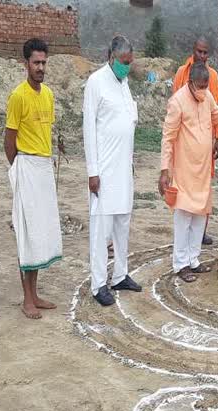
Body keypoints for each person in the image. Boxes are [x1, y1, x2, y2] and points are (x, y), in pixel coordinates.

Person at [159, 62, 218, 283]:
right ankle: (181, 264)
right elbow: (168, 138)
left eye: (206, 86)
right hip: (183, 171)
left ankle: (194, 259)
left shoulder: (206, 97)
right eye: (200, 86)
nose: (203, 90)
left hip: (203, 169)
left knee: (199, 216)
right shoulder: (177, 101)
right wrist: (164, 170)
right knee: (183, 216)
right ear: (190, 83)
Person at [4, 38, 62, 320]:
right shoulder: (18, 96)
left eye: (43, 63)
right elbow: (9, 142)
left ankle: (35, 293)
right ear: (25, 63)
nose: (41, 68)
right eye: (36, 63)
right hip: (25, 165)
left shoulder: (49, 95)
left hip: (44, 168)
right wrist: (20, 170)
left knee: (39, 234)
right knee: (26, 235)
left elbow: (46, 134)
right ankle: (26, 298)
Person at [83, 35, 141, 307]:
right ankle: (98, 285)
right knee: (101, 231)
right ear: (111, 57)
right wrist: (93, 172)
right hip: (103, 172)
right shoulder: (96, 82)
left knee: (122, 226)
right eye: (123, 62)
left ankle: (120, 275)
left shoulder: (124, 83)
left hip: (123, 170)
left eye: (129, 63)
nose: (126, 67)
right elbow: (89, 130)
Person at [172, 36, 218, 246]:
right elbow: (175, 108)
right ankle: (184, 238)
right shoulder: (181, 74)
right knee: (184, 190)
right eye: (199, 51)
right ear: (193, 50)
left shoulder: (213, 77)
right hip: (184, 146)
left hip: (204, 147)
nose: (202, 55)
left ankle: (200, 232)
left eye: (205, 53)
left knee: (203, 187)